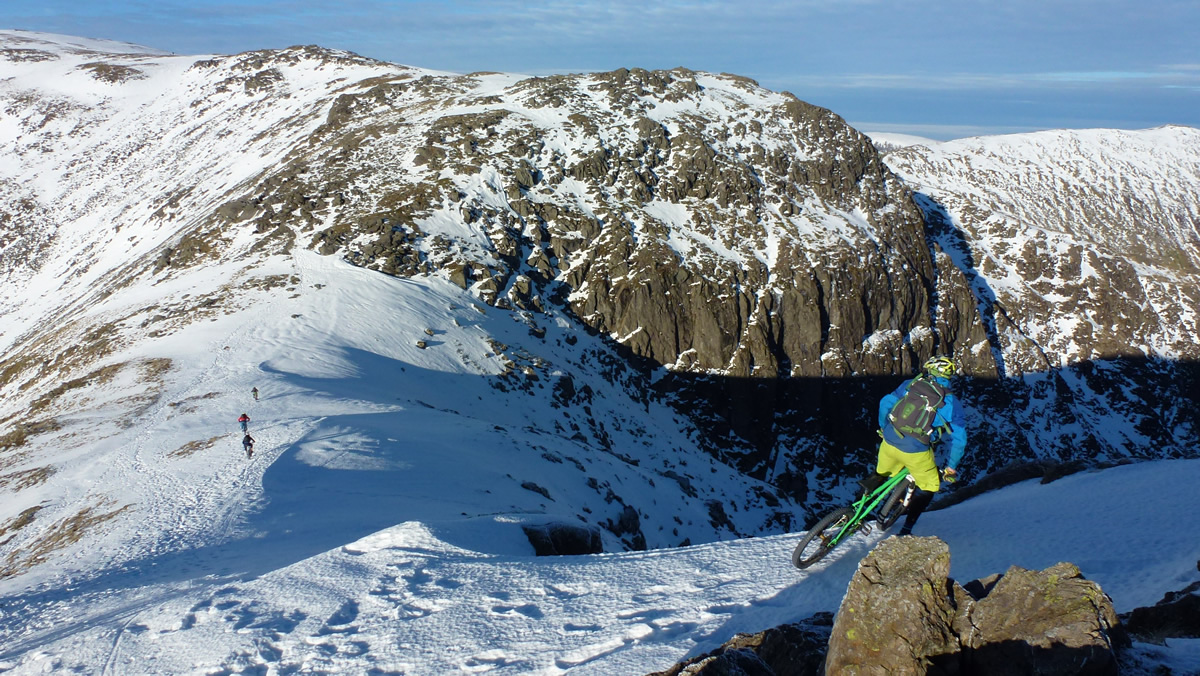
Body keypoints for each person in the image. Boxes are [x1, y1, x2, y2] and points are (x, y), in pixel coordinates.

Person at [870, 355, 966, 536]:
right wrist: (951, 468)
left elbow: (885, 403)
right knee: (930, 487)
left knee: (880, 474)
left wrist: (884, 427)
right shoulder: (951, 403)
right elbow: (960, 440)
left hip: (890, 438)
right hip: (916, 450)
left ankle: (854, 512)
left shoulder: (911, 384)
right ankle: (906, 529)